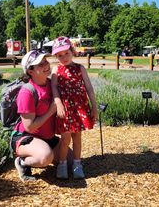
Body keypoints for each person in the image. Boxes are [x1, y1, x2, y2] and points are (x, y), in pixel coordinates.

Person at [12, 50, 66, 181]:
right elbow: (29, 127)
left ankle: (46, 152)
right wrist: (51, 111)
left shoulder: (52, 85)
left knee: (69, 162)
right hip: (27, 137)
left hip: (48, 137)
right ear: (30, 71)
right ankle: (22, 162)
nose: (46, 65)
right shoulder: (27, 92)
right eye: (40, 64)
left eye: (45, 62)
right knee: (45, 157)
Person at [51, 36, 98, 179]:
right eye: (60, 55)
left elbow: (89, 88)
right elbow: (54, 87)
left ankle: (77, 164)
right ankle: (62, 164)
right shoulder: (56, 69)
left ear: (72, 51)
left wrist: (94, 106)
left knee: (77, 136)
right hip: (65, 108)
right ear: (56, 56)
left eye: (66, 53)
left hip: (79, 107)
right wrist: (58, 103)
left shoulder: (80, 68)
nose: (64, 57)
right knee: (65, 138)